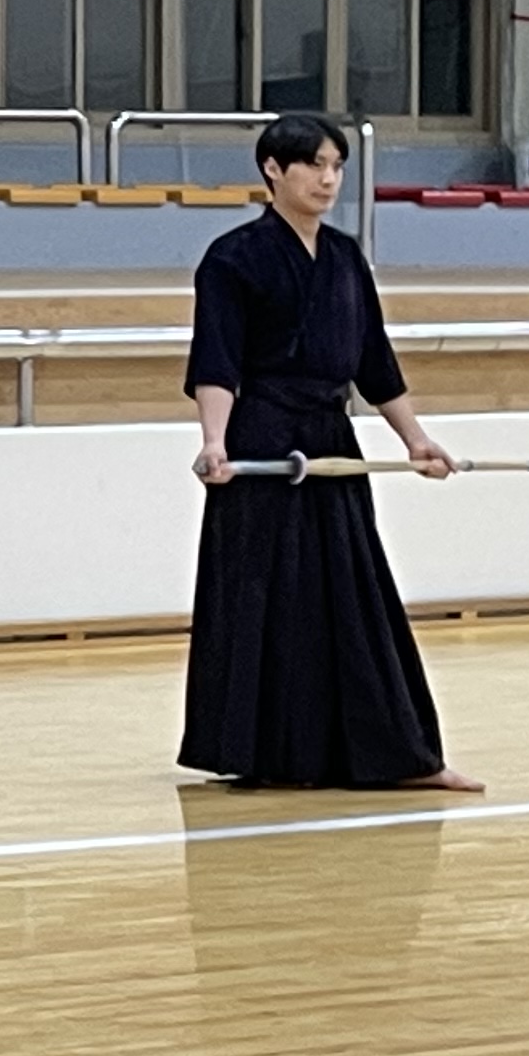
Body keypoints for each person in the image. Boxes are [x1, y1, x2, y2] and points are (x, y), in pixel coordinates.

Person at [178, 111, 482, 794]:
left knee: (352, 595)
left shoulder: (345, 258)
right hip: (262, 442)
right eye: (314, 164)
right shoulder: (232, 258)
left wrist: (415, 439)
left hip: (329, 440)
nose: (328, 178)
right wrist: (215, 442)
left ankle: (399, 755)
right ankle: (276, 754)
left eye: (336, 166)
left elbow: (374, 361)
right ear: (273, 170)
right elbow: (218, 361)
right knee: (271, 596)